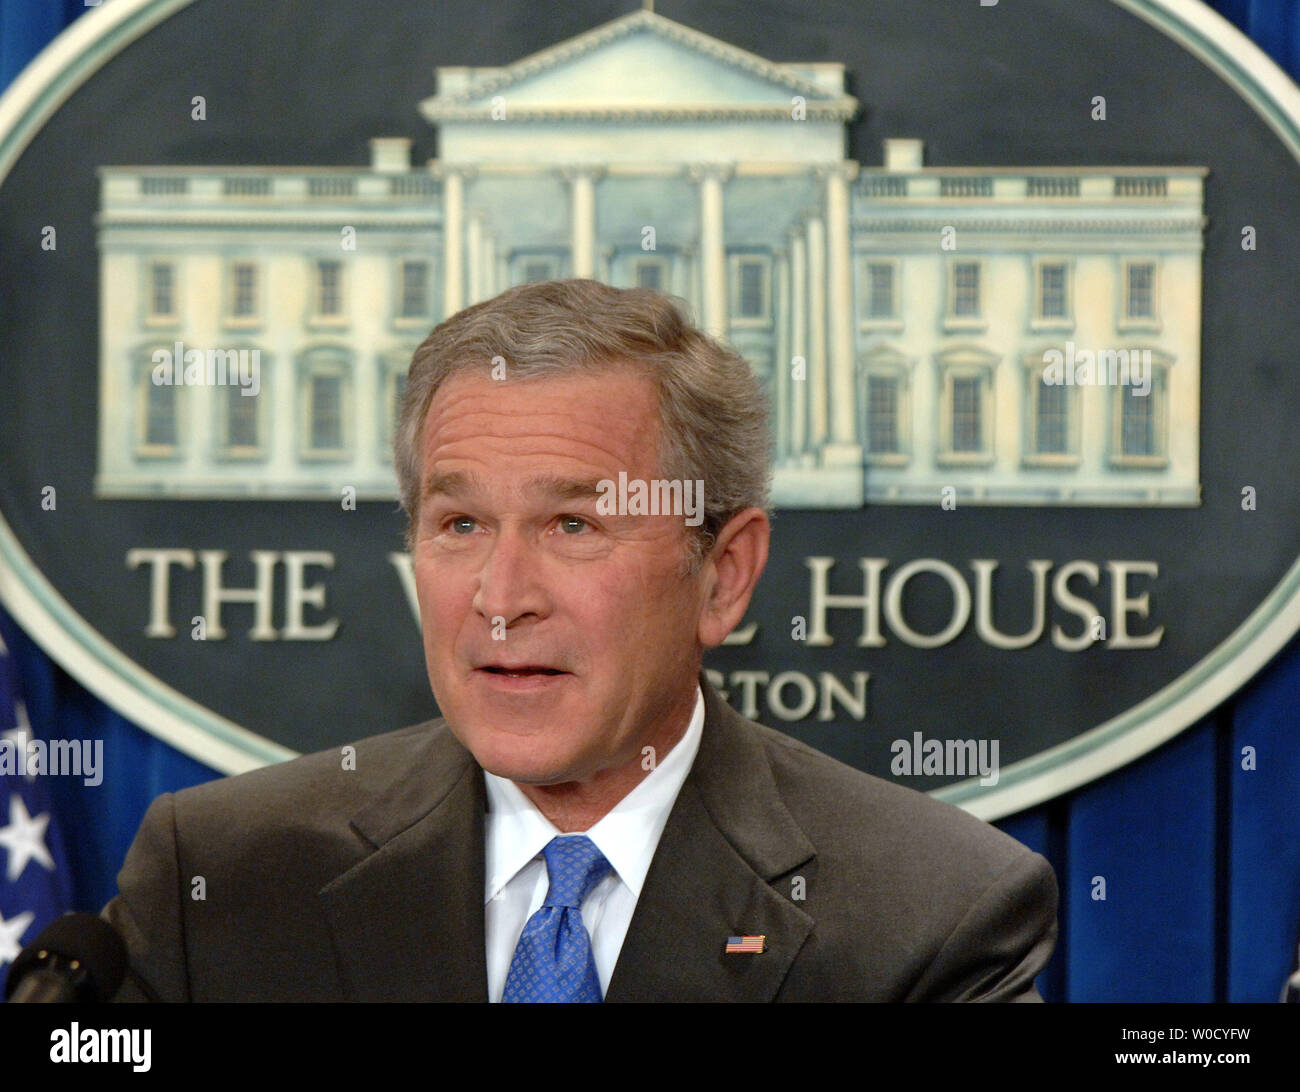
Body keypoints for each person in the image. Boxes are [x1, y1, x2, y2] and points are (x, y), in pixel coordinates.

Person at [103, 278, 1057, 1002]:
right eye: (461, 525)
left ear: (722, 575)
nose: (502, 599)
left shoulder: (933, 917)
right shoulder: (216, 878)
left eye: (573, 526)